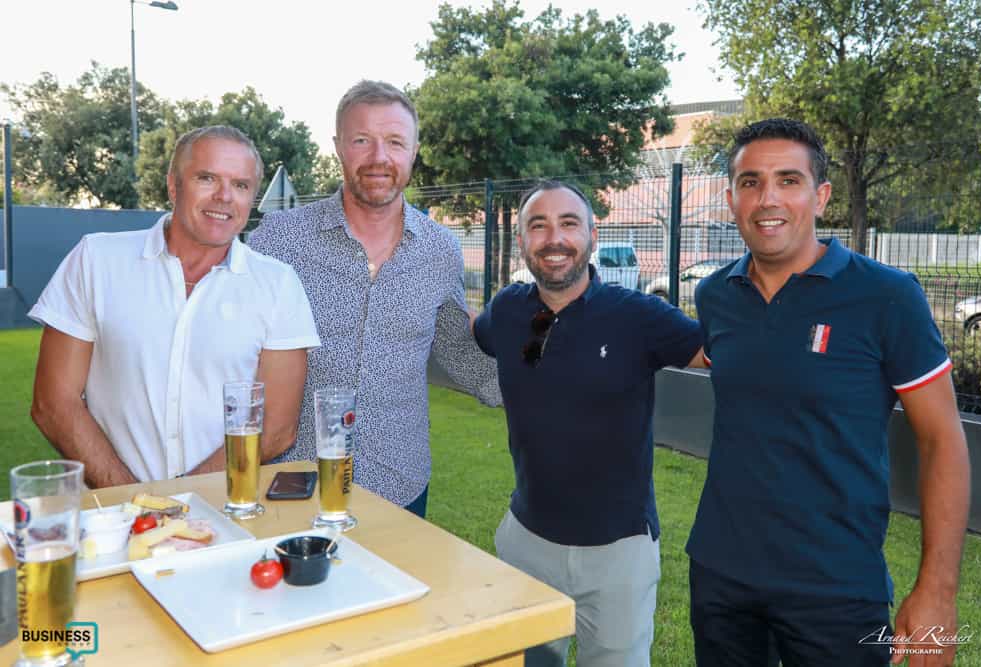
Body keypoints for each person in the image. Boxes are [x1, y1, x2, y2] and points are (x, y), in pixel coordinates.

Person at [687, 118, 970, 666]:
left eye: (789, 180)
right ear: (731, 199)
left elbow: (942, 441)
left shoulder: (887, 296)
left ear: (820, 196)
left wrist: (938, 591)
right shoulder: (716, 295)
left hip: (837, 587)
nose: (768, 199)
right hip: (721, 578)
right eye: (750, 182)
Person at [473, 180, 705, 667]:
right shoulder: (508, 310)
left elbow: (715, 353)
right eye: (539, 225)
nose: (554, 239)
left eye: (569, 223)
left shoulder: (637, 316)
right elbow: (476, 331)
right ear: (522, 240)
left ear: (592, 235)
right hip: (526, 544)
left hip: (618, 553)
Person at [248, 80, 499, 517]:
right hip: (291, 480)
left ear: (414, 151)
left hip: (399, 485)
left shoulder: (440, 250)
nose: (379, 157)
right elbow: (227, 350)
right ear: (338, 147)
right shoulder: (278, 241)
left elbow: (456, 350)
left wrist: (542, 384)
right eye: (362, 140)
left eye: (395, 142)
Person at [29, 126, 320, 488]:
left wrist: (179, 500)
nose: (224, 196)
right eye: (207, 178)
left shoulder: (278, 284)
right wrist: (136, 502)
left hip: (224, 511)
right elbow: (54, 403)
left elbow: (276, 428)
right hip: (111, 510)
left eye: (241, 185)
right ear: (173, 185)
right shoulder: (96, 259)